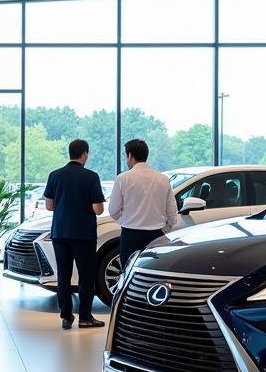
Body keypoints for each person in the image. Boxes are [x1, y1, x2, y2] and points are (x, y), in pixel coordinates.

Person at [43, 138, 105, 330]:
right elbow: (98, 209)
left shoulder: (55, 175)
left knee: (64, 274)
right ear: (85, 153)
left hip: (60, 232)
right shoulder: (91, 177)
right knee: (86, 275)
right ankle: (85, 317)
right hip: (84, 234)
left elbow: (49, 206)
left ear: (69, 153)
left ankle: (66, 316)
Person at [107, 138, 178, 267]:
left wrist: (123, 217)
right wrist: (165, 229)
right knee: (153, 273)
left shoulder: (123, 178)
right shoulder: (162, 179)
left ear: (130, 156)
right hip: (156, 235)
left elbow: (113, 211)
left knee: (130, 275)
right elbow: (172, 212)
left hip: (130, 235)